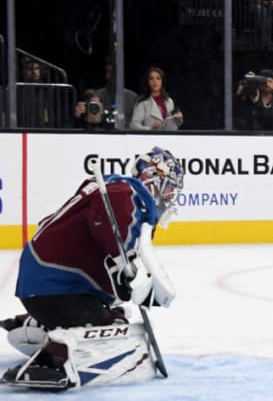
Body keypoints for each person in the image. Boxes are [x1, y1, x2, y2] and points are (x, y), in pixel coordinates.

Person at [0, 147, 184, 390]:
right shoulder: (125, 193)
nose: (171, 195)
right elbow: (107, 227)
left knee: (114, 316)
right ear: (153, 178)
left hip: (50, 284)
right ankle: (53, 361)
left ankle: (39, 324)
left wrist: (128, 274)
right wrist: (125, 264)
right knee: (107, 329)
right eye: (170, 186)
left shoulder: (117, 190)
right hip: (55, 286)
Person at [96, 57, 139, 128]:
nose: (111, 76)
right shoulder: (98, 95)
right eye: (108, 72)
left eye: (114, 73)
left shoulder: (132, 97)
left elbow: (136, 124)